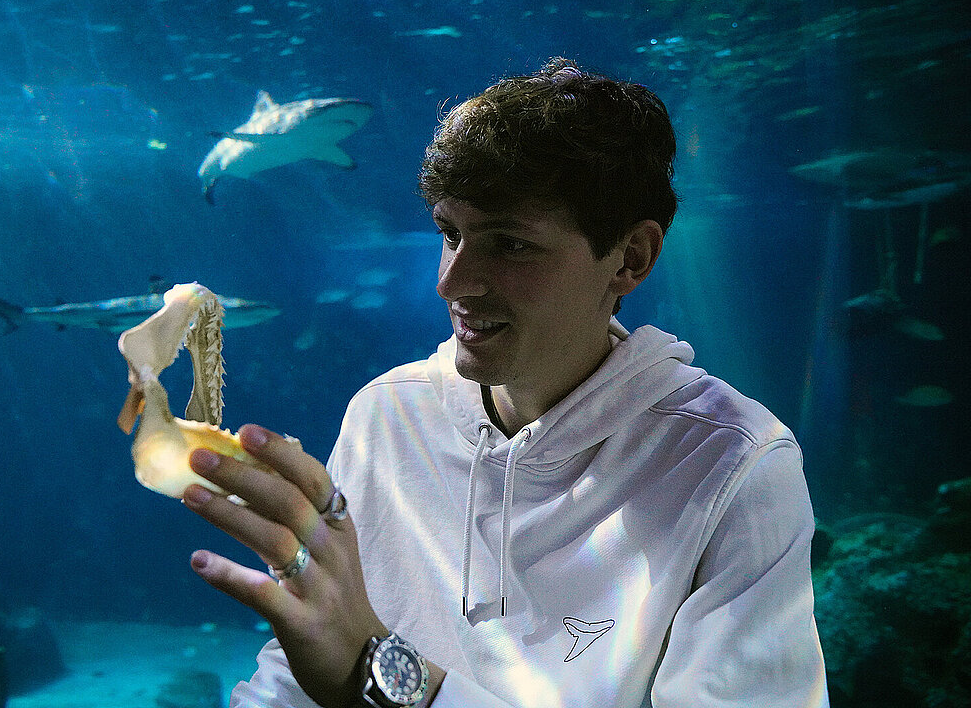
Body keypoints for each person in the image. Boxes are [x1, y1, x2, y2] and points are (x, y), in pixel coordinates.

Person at [180, 57, 829, 707]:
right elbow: (304, 667)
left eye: (510, 244)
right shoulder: (385, 414)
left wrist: (394, 684)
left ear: (631, 258)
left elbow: (355, 668)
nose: (451, 284)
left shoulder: (736, 466)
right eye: (450, 233)